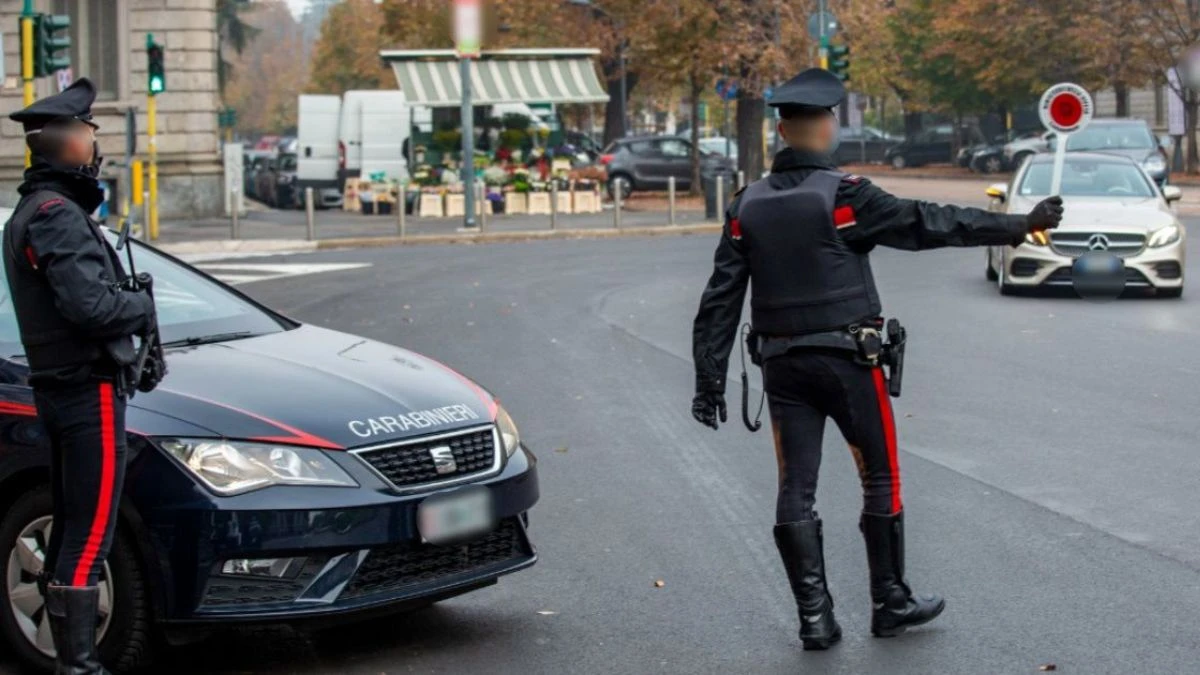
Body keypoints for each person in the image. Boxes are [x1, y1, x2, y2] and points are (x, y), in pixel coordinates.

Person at [690, 69, 1063, 650]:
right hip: (847, 362)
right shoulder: (845, 197)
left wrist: (708, 379)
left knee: (796, 487)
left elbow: (720, 298)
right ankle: (890, 602)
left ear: (784, 131)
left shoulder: (746, 207)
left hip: (783, 369)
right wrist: (1019, 224)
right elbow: (929, 222)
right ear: (825, 126)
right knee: (881, 475)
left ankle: (815, 620)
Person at [3, 78, 158, 674]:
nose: (94, 141)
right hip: (85, 388)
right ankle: (80, 667)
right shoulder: (56, 216)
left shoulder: (37, 211)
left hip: (62, 386)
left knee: (74, 524)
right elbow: (91, 309)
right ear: (68, 141)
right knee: (90, 530)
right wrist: (141, 307)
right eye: (89, 131)